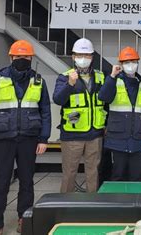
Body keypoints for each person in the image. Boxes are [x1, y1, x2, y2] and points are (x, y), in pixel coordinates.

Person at [0, 40, 51, 235]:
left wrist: (43, 139)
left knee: (26, 181)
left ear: (31, 59)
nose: (22, 60)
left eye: (25, 57)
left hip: (29, 139)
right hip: (4, 138)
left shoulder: (38, 80)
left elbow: (45, 111)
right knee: (2, 181)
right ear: (11, 58)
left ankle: (25, 218)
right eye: (18, 57)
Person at [53, 38, 107, 193]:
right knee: (69, 173)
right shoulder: (64, 77)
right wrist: (69, 84)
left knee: (93, 172)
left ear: (92, 57)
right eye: (79, 55)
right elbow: (58, 99)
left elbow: (106, 103)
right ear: (73, 56)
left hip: (95, 134)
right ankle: (65, 206)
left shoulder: (100, 77)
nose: (83, 58)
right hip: (72, 135)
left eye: (87, 55)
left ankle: (92, 205)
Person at [98, 47, 141, 181]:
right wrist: (112, 76)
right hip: (117, 139)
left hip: (138, 139)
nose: (130, 65)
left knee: (136, 177)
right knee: (117, 176)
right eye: (127, 62)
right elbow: (103, 97)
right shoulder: (113, 81)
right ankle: (115, 202)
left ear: (138, 63)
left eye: (133, 61)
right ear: (121, 64)